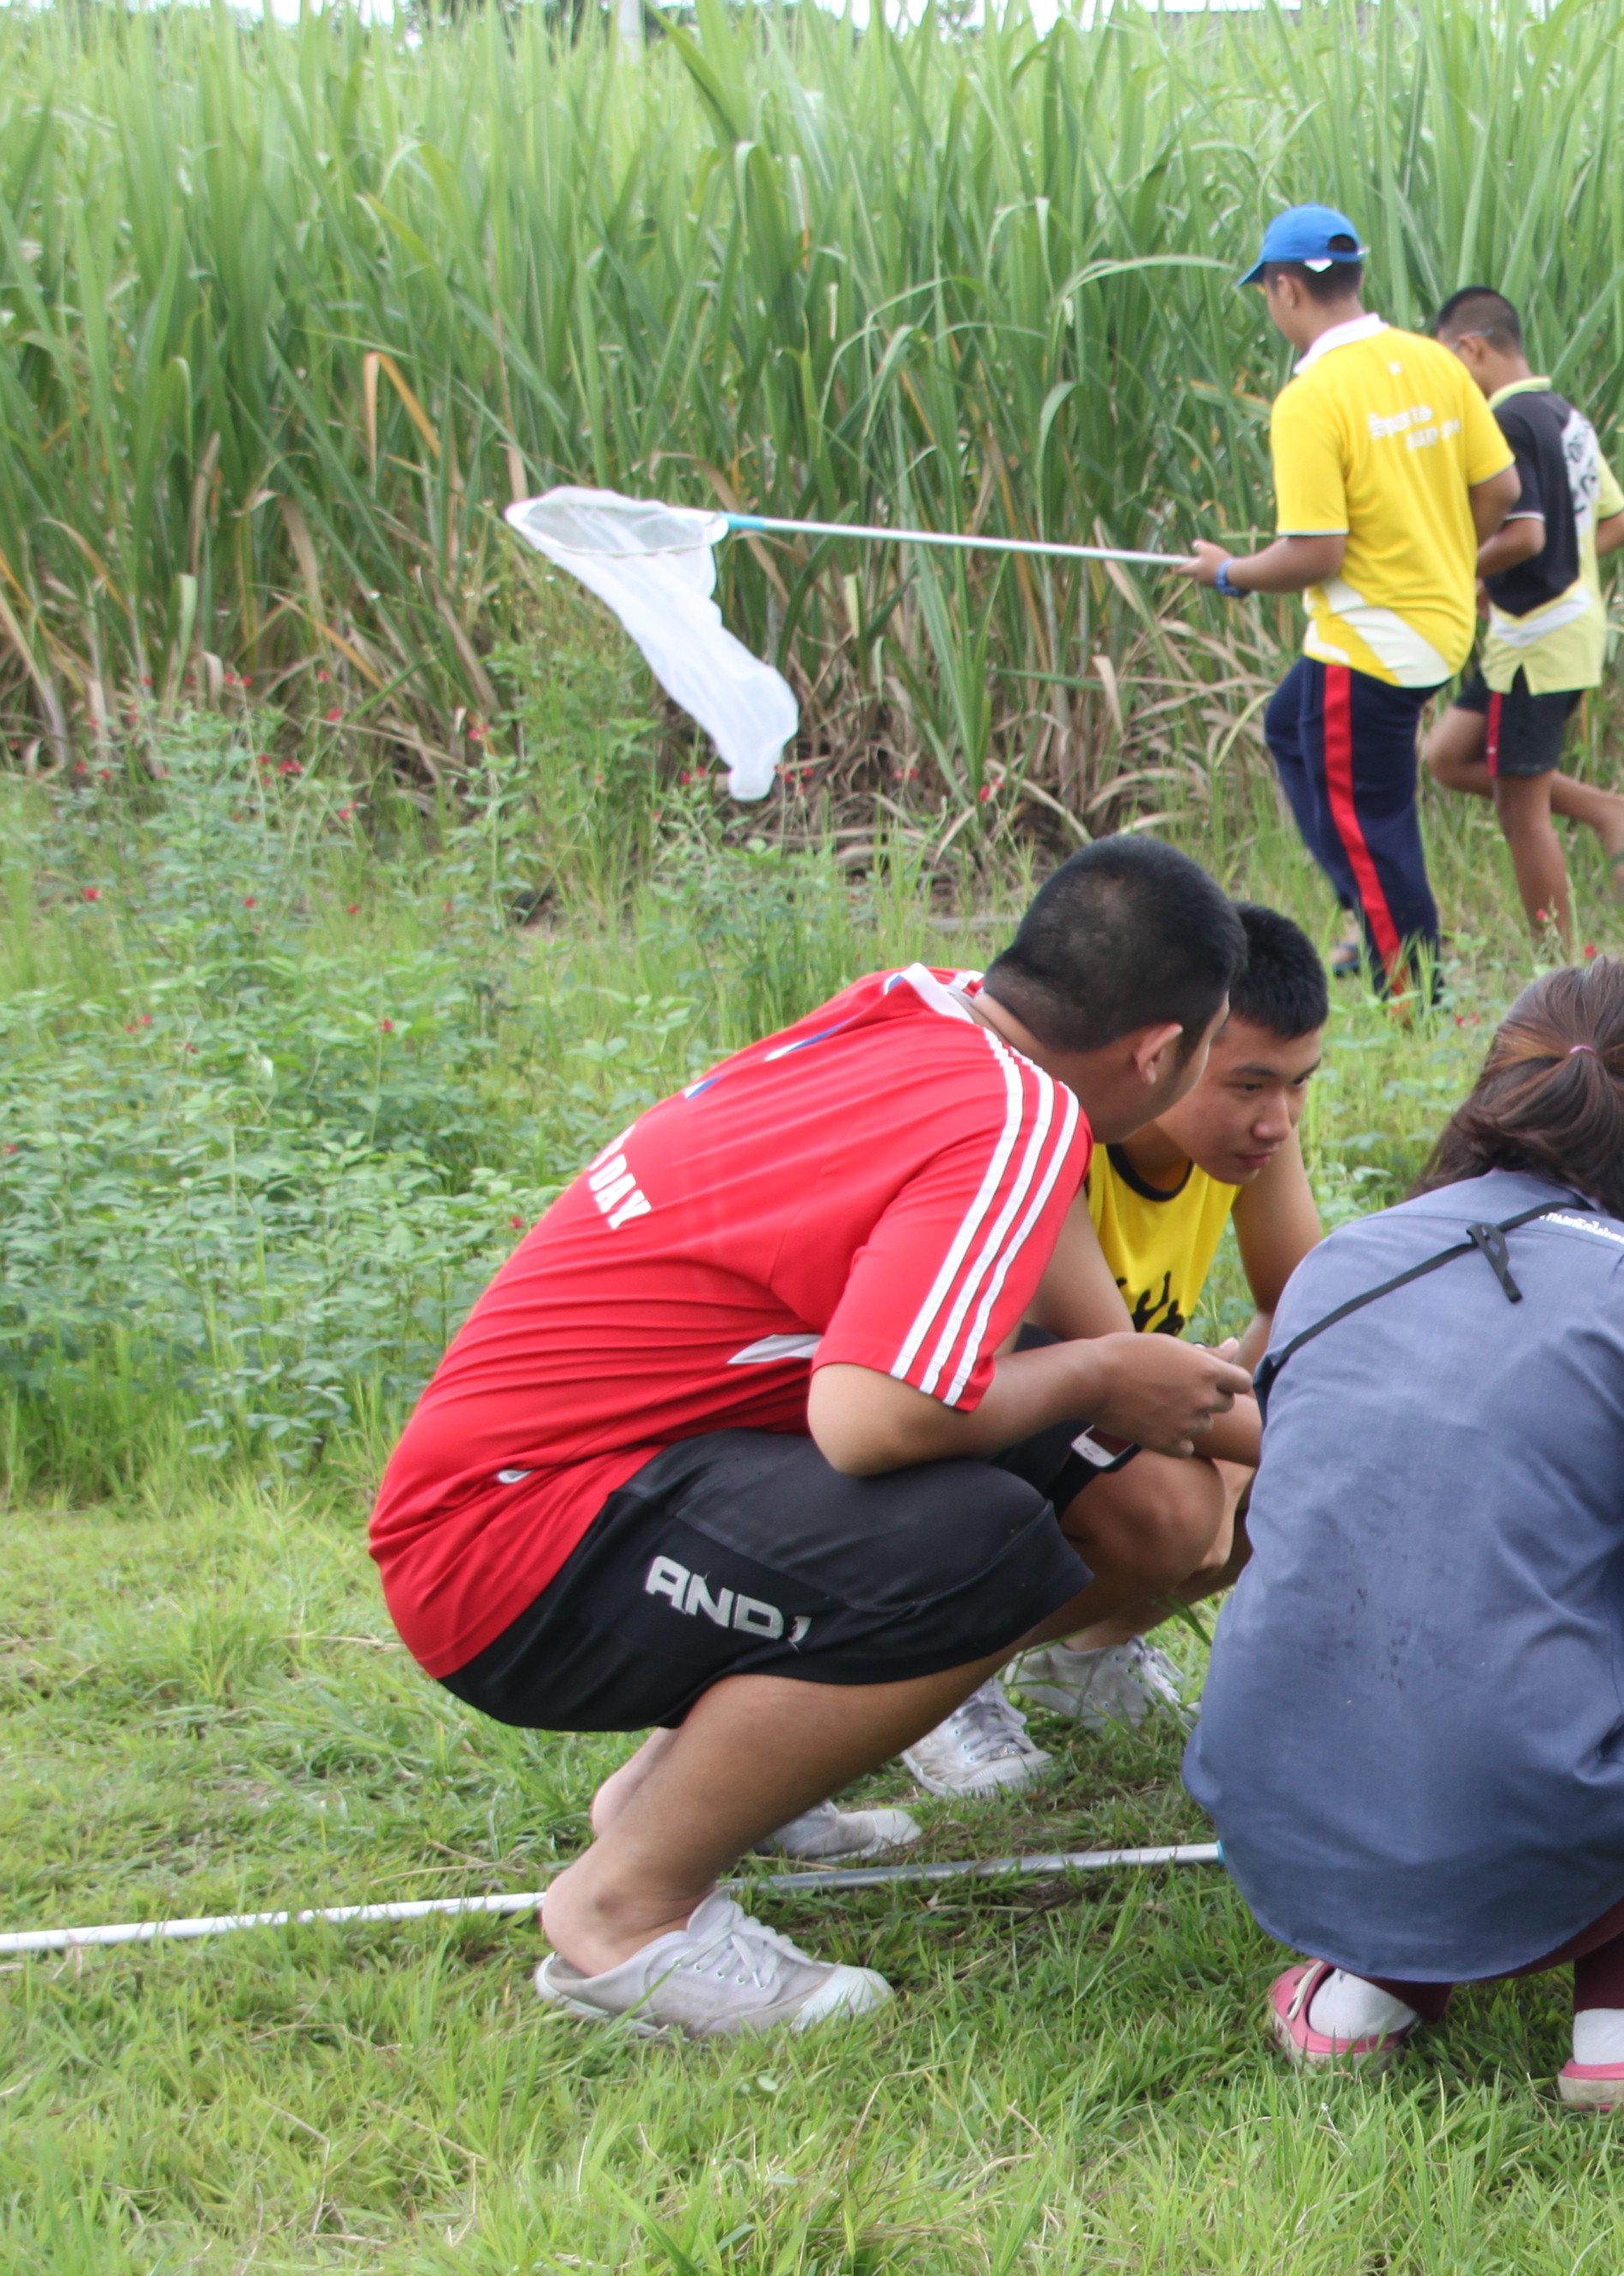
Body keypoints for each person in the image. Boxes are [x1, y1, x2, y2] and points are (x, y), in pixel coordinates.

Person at [366, 840, 1257, 2040]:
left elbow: (1076, 1356)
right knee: (979, 1541)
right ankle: (625, 1916)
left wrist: (1150, 1392)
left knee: (1063, 1460)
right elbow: (872, 1417)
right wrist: (1100, 1375)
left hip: (560, 1485)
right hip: (499, 1553)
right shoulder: (1020, 1115)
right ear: (1158, 1051)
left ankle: (700, 1792)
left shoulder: (922, 1010)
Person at [1189, 960, 1624, 2108]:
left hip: (1271, 1821)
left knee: (1403, 1575)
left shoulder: (1338, 1262)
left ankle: (1357, 1996)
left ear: (1491, 1093)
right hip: (1524, 1829)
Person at [898, 903, 1334, 1797]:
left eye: (1299, 1085)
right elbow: (1112, 1367)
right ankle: (934, 1678)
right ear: (1167, 1050)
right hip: (964, 1434)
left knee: (1292, 1465)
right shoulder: (1051, 1133)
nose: (1277, 1120)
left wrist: (1257, 1449)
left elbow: (1303, 1310)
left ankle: (1085, 1657)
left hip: (1097, 1416)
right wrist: (1288, 1445)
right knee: (1182, 1507)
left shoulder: (1255, 1142)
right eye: (1249, 1085)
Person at [1178, 205, 1517, 1008]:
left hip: (1369, 644)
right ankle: (1373, 918)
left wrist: (1229, 573)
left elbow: (1315, 553)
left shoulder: (1311, 398)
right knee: (1288, 728)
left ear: (1286, 289)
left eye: (1267, 292)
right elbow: (1502, 488)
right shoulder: (1432, 362)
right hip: (1437, 627)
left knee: (1372, 831)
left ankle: (1413, 1001)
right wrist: (1448, 557)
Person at [1415, 285, 1624, 928]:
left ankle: (1556, 959)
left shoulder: (1505, 422)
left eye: (1446, 362)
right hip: (1549, 630)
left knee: (1520, 811)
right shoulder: (1564, 417)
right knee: (1447, 756)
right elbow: (1616, 525)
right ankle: (1612, 811)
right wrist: (1524, 574)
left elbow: (1526, 535)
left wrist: (1450, 572)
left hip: (1538, 640)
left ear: (1471, 349)